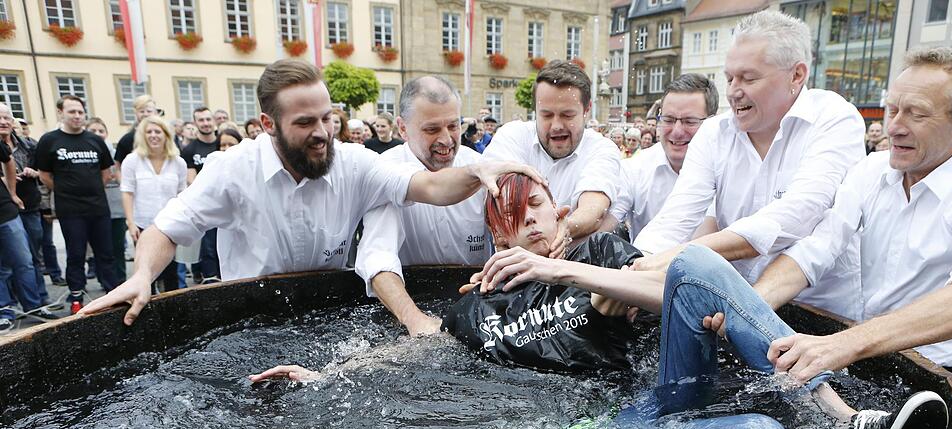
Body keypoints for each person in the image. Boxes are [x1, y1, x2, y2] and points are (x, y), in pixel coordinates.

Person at [255, 172, 950, 429]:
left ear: (562, 215)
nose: (532, 227)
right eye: (513, 221)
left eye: (541, 213)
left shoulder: (604, 255)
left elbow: (674, 284)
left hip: (666, 387)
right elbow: (419, 349)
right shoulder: (474, 308)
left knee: (702, 262)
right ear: (495, 234)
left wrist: (581, 276)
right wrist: (327, 376)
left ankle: (848, 419)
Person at [81, 59, 542, 325]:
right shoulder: (231, 169)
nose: (322, 134)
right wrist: (142, 276)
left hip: (328, 317)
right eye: (305, 123)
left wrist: (483, 169)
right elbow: (167, 227)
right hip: (250, 319)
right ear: (268, 125)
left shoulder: (356, 163)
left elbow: (431, 186)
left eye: (327, 118)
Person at [738, 48, 952, 390]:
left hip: (938, 377)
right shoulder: (873, 169)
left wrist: (844, 343)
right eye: (892, 110)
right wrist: (749, 306)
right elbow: (816, 247)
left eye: (916, 114)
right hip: (865, 361)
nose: (894, 128)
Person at [631, 9, 865, 320]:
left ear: (797, 75)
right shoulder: (715, 133)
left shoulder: (834, 119)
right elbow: (676, 217)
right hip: (732, 308)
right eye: (728, 77)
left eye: (748, 78)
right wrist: (637, 267)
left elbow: (800, 212)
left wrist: (682, 255)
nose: (732, 91)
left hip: (819, 313)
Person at [355, 77, 490, 336]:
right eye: (431, 130)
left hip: (474, 303)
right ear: (403, 129)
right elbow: (377, 258)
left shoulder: (478, 166)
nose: (447, 139)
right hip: (408, 306)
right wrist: (414, 319)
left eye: (453, 125)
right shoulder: (386, 172)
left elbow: (506, 238)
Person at [484, 60, 621, 240]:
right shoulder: (512, 135)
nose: (556, 126)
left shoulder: (601, 148)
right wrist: (555, 230)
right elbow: (504, 203)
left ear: (586, 110)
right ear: (535, 110)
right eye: (546, 115)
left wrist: (566, 228)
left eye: (567, 115)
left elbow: (594, 209)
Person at [34, 95, 119, 307]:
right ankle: (76, 295)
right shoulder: (50, 140)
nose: (77, 116)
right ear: (61, 113)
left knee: (106, 253)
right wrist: (66, 191)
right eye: (72, 112)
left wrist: (91, 189)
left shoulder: (95, 140)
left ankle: (112, 293)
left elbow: (106, 173)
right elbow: (44, 175)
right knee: (76, 253)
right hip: (70, 209)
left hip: (98, 207)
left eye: (80, 112)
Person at [612, 73, 718, 240]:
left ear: (712, 123)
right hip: (645, 263)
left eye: (689, 121)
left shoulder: (729, 170)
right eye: (668, 120)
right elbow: (606, 221)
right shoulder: (635, 168)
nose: (676, 131)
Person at [120, 116, 188, 293]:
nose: (153, 135)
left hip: (170, 225)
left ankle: (172, 309)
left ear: (166, 135)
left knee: (171, 273)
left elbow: (182, 193)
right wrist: (131, 222)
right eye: (148, 132)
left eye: (157, 131)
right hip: (143, 224)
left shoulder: (178, 162)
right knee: (145, 273)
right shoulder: (132, 161)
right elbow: (127, 191)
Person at [0, 103, 58, 304]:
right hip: (5, 209)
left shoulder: (28, 144)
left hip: (28, 206)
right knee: (5, 263)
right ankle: (10, 305)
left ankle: (38, 300)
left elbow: (44, 171)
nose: (3, 122)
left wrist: (33, 174)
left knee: (31, 257)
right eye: (0, 118)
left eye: (7, 117)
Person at [87, 117, 129, 284]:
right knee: (101, 249)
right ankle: (105, 281)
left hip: (117, 207)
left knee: (118, 248)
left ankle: (120, 280)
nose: (98, 134)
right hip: (95, 207)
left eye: (101, 131)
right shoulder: (86, 154)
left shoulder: (115, 154)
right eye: (93, 131)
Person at [181, 106, 221, 282]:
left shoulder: (221, 143)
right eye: (201, 120)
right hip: (206, 203)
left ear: (213, 121)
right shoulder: (190, 149)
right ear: (195, 123)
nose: (205, 123)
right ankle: (211, 279)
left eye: (208, 119)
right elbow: (191, 179)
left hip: (227, 200)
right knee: (209, 246)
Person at [114, 95, 158, 166]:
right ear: (136, 113)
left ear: (155, 113)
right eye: (142, 111)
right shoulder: (127, 139)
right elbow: (118, 167)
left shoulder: (164, 136)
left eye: (149, 111)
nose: (145, 114)